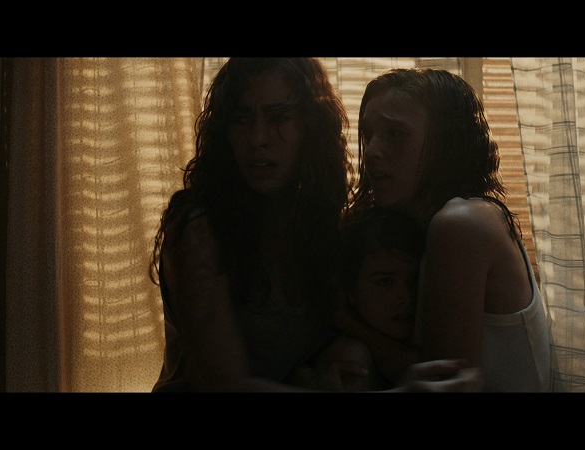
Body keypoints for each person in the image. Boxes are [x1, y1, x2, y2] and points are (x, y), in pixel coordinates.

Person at [149, 57, 480, 392]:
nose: (258, 138)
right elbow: (225, 385)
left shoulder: (317, 221)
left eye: (278, 118)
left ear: (310, 126)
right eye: (241, 119)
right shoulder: (198, 229)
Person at [350, 68, 554, 392]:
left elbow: (442, 385)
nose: (372, 150)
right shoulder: (445, 224)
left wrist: (348, 323)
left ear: (446, 144)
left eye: (395, 134)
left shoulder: (460, 224)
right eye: (368, 134)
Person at [333, 206, 426, 390]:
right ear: (350, 291)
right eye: (385, 282)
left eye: (414, 280)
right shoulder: (349, 358)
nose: (407, 297)